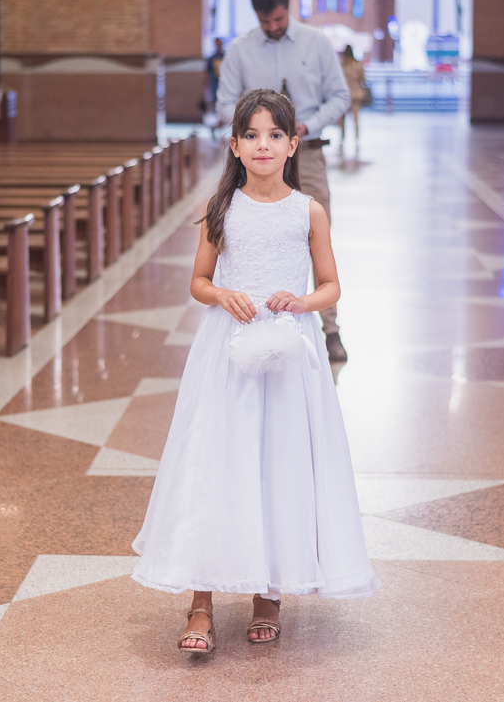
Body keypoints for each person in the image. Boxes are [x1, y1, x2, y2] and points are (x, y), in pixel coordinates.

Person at [131, 89, 379, 654]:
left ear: (294, 144)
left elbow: (332, 285)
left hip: (290, 351)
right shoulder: (221, 209)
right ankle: (200, 603)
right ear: (235, 145)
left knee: (278, 464)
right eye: (251, 135)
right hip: (229, 349)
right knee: (217, 461)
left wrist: (304, 302)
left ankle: (269, 593)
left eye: (274, 135)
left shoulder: (308, 210)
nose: (262, 145)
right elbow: (197, 282)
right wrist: (222, 294)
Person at [216, 0, 352, 363]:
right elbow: (224, 103)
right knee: (250, 235)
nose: (273, 28)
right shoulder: (241, 51)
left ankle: (329, 328)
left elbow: (340, 96)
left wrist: (305, 125)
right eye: (266, 22)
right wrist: (252, 125)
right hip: (253, 159)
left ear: (287, 8)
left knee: (313, 234)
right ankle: (250, 319)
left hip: (304, 152)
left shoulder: (316, 43)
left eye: (278, 20)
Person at [338, 45, 367, 153]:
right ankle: (357, 138)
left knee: (342, 120)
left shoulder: (341, 65)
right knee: (356, 119)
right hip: (356, 94)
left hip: (343, 95)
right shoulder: (358, 65)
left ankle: (341, 138)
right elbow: (363, 79)